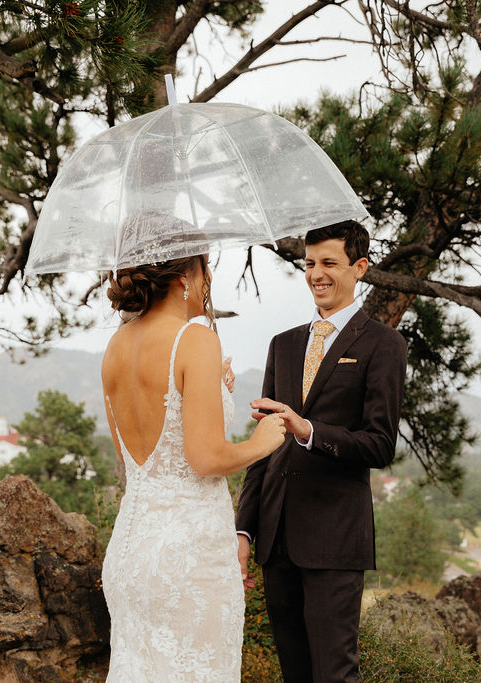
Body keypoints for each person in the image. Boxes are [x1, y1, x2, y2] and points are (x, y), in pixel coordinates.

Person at [100, 250, 287, 681]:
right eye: (207, 269)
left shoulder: (116, 346)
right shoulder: (195, 339)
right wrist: (262, 442)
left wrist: (211, 390)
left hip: (132, 547)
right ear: (186, 275)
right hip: (188, 555)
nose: (209, 282)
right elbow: (205, 459)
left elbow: (140, 459)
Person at [235, 220, 408, 683]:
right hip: (276, 538)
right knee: (295, 673)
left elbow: (379, 444)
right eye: (309, 263)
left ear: (360, 268)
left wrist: (308, 429)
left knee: (334, 674)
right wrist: (244, 531)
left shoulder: (383, 345)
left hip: (335, 541)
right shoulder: (284, 345)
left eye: (329, 263)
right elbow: (262, 450)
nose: (317, 273)